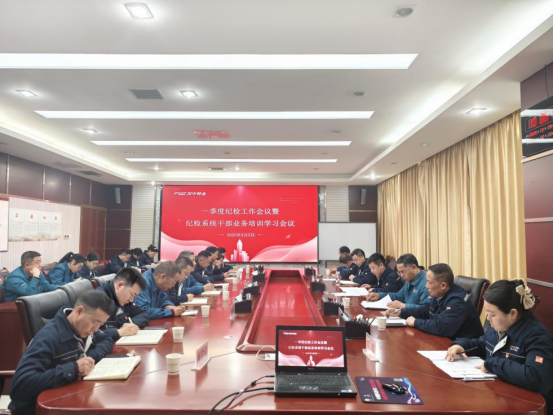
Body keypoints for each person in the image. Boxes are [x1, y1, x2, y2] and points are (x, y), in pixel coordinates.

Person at [447, 280, 552, 413]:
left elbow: (536, 378)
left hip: (524, 406)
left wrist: (493, 363)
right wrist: (462, 345)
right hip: (498, 395)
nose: (488, 318)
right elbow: (484, 343)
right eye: (487, 313)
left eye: (492, 314)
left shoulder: (537, 337)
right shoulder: (500, 325)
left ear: (513, 313)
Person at [8, 291, 114, 414]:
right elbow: (20, 386)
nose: (96, 329)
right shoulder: (47, 338)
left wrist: (88, 358)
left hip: (69, 399)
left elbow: (106, 339)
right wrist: (74, 368)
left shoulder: (82, 328)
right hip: (40, 409)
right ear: (79, 312)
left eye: (101, 324)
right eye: (95, 322)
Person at [390, 263, 483, 340]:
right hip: (443, 341)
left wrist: (415, 322)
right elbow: (425, 310)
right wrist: (400, 312)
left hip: (463, 349)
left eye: (429, 282)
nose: (426, 286)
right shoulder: (438, 293)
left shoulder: (457, 301)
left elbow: (442, 327)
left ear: (443, 285)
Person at [96, 267, 150, 341]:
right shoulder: (98, 300)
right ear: (120, 285)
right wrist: (119, 332)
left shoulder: (123, 300)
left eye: (134, 296)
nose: (131, 300)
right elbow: (91, 335)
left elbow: (143, 314)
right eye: (132, 294)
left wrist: (130, 325)